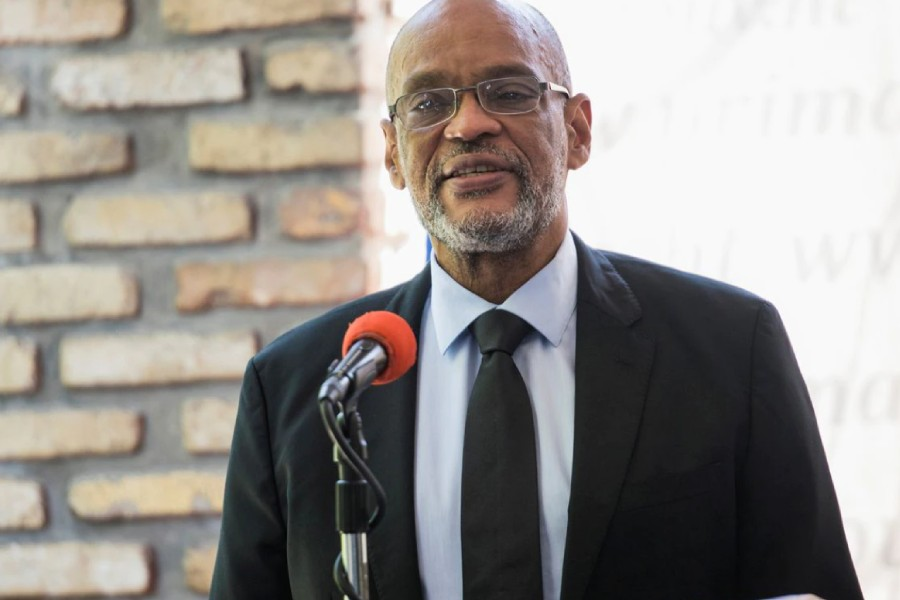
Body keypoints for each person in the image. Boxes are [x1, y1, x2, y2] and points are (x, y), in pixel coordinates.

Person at [210, 0, 864, 598]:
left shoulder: (730, 347)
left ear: (577, 130)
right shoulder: (300, 389)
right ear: (391, 154)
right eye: (429, 103)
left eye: (510, 92)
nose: (468, 124)